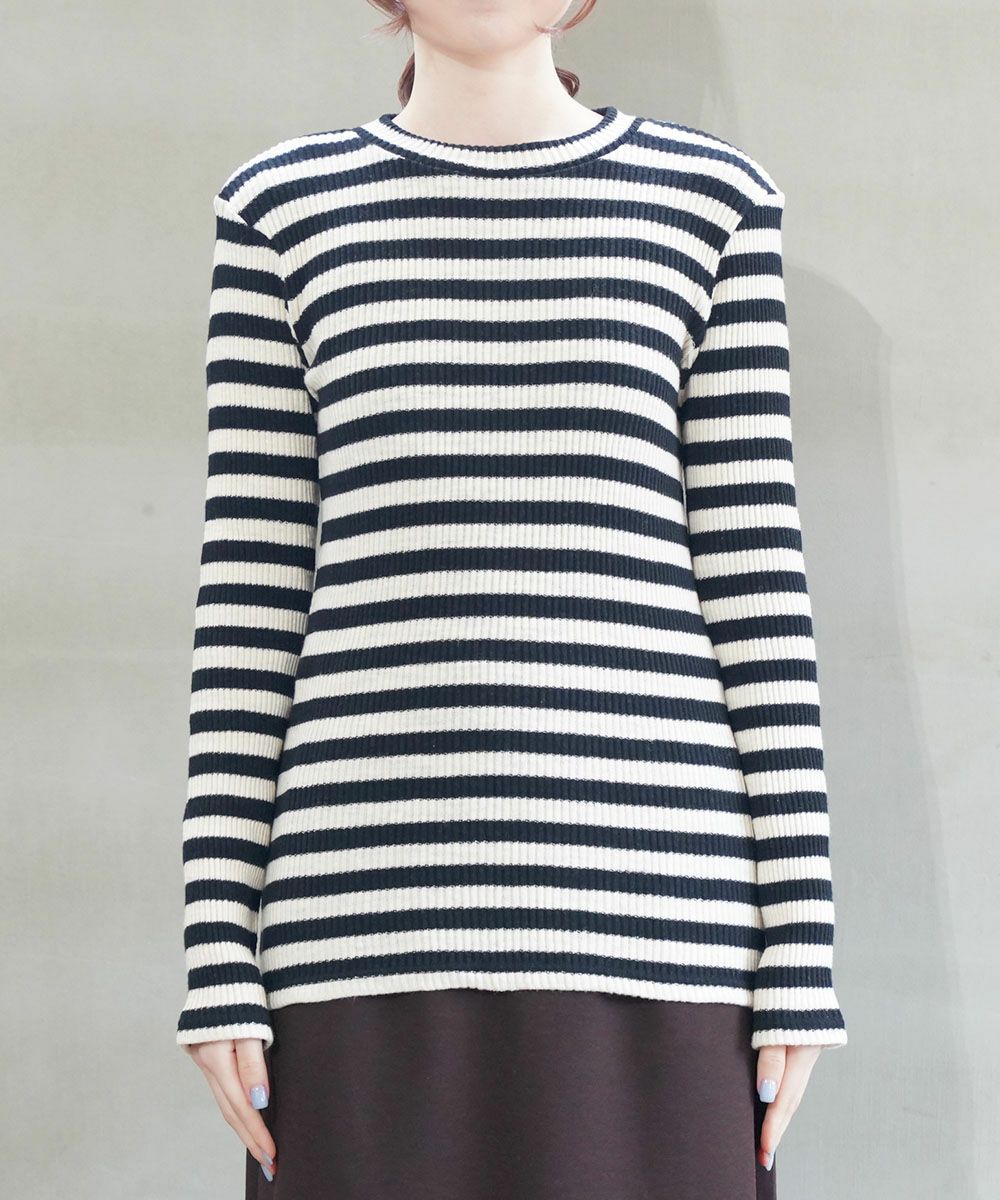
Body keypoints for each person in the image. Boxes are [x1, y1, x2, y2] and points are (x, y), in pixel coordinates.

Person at [175, 2, 848, 1196]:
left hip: (659, 936)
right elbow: (249, 605)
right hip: (355, 937)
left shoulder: (711, 203)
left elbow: (758, 595)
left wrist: (800, 950)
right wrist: (217, 950)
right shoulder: (281, 209)